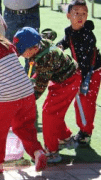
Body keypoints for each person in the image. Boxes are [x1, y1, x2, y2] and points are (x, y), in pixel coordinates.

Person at [0, 15, 47, 173]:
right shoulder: (7, 44)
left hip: (7, 95)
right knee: (24, 127)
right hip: (26, 91)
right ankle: (37, 152)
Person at [14, 27, 80, 163]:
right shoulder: (39, 43)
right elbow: (50, 33)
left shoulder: (46, 59)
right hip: (60, 76)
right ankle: (64, 137)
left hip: (68, 80)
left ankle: (52, 151)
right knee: (54, 110)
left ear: (33, 48)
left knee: (49, 113)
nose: (22, 56)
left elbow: (39, 87)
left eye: (23, 52)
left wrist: (27, 100)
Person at [56, 0, 101, 147]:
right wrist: (59, 47)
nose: (80, 16)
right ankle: (83, 129)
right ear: (68, 15)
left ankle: (86, 132)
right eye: (76, 13)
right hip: (80, 71)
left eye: (84, 13)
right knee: (80, 101)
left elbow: (87, 59)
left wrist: (78, 74)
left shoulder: (88, 35)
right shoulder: (69, 31)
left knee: (87, 100)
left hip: (92, 71)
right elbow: (65, 42)